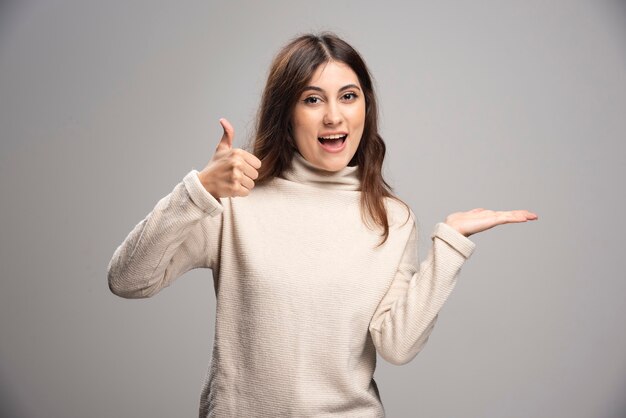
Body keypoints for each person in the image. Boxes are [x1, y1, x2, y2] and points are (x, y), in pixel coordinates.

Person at [107, 32, 538, 417]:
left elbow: (398, 345)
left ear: (365, 106)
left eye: (348, 96)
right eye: (313, 99)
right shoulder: (237, 203)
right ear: (286, 113)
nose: (334, 116)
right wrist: (197, 190)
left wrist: (449, 246)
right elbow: (128, 279)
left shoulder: (392, 218)